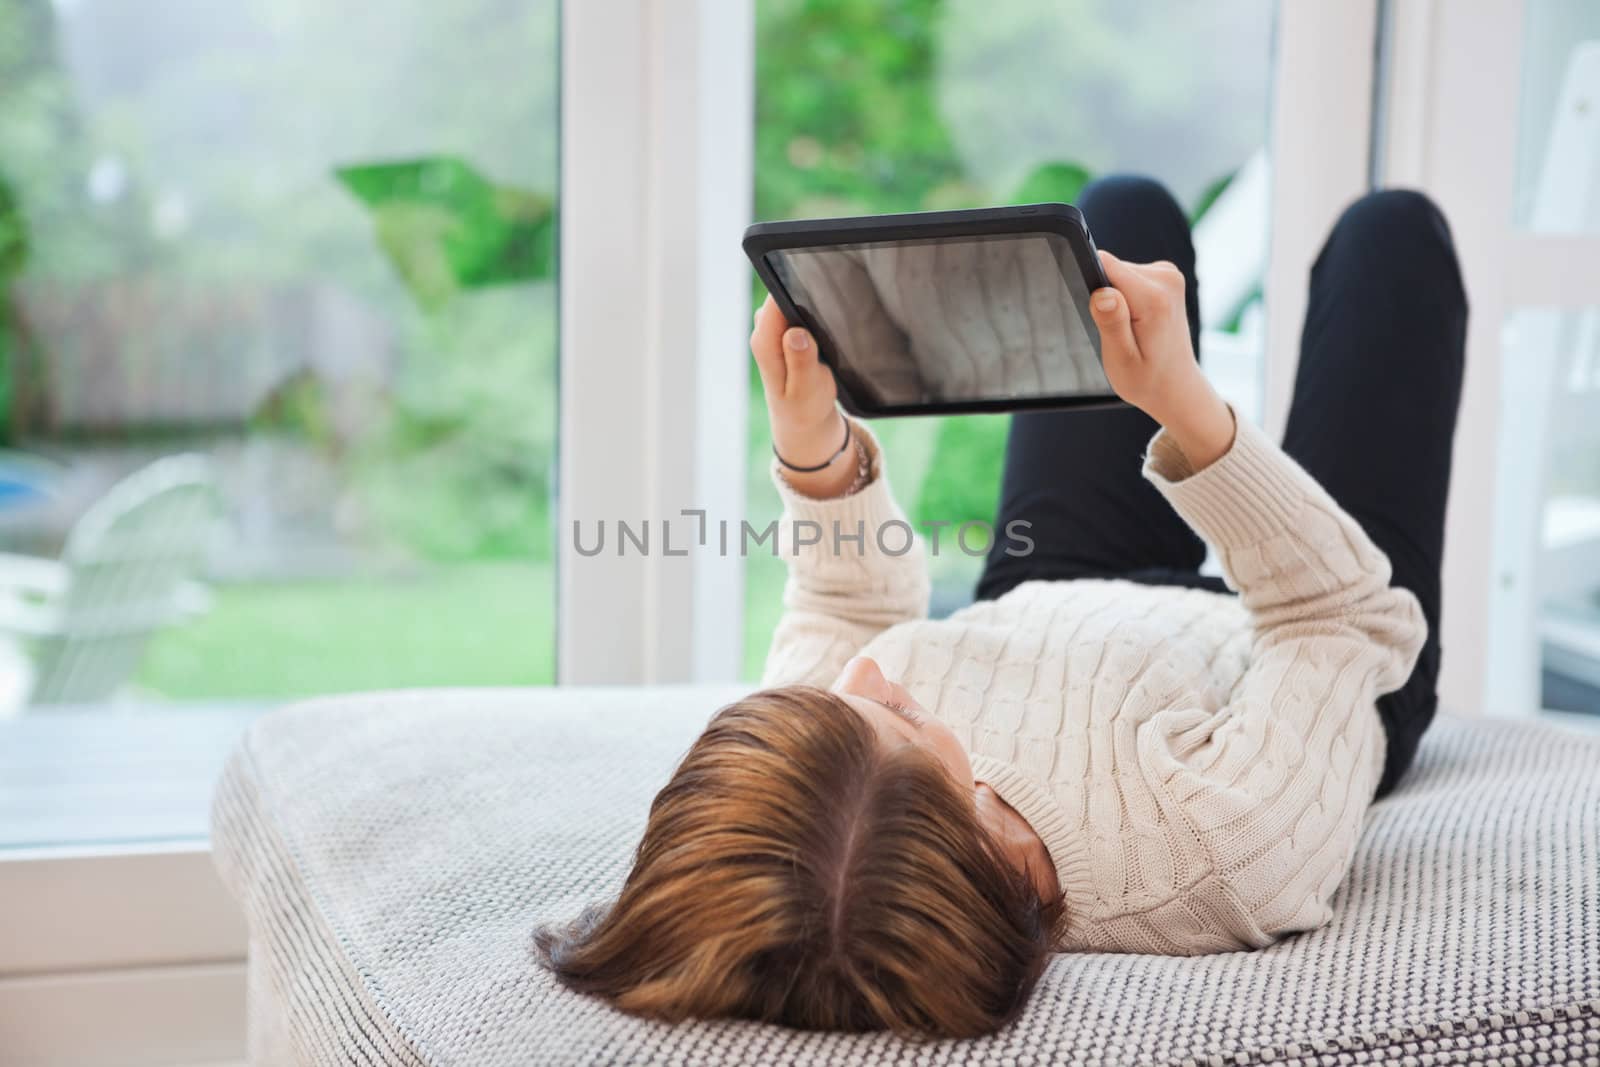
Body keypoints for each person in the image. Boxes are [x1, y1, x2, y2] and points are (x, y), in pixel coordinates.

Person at [535, 177, 1467, 1039]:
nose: (867, 671)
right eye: (900, 713)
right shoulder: (1219, 846)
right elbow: (1341, 619)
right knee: (1391, 239)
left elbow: (843, 603)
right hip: (1312, 628)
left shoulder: (814, 796)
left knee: (1116, 219)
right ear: (972, 838)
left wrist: (814, 448)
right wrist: (1184, 405)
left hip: (1047, 602)